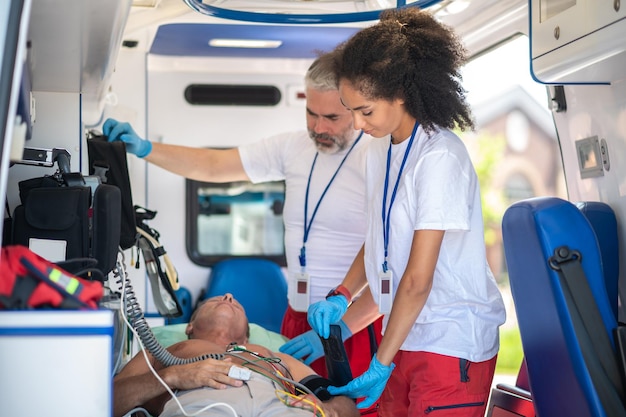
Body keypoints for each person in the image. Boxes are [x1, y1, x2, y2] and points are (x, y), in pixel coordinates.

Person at [102, 52, 383, 381]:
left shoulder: (374, 158)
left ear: (356, 107)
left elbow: (392, 264)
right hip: (297, 315)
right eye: (311, 113)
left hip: (355, 322)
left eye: (332, 117)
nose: (319, 127)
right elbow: (213, 166)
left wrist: (345, 329)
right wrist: (147, 148)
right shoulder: (293, 148)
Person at [305, 8, 507, 417]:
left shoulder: (439, 156)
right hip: (403, 336)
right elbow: (381, 240)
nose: (358, 125)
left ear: (401, 94)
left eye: (366, 111)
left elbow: (417, 279)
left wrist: (380, 362)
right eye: (351, 111)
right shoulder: (380, 149)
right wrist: (343, 295)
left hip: (450, 343)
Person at [113, 293, 359, 417]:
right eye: (215, 300)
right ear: (189, 327)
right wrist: (173, 376)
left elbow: (347, 405)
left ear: (246, 337)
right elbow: (106, 403)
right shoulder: (162, 353)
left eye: (236, 304)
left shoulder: (270, 355)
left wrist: (330, 410)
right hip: (202, 407)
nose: (229, 296)